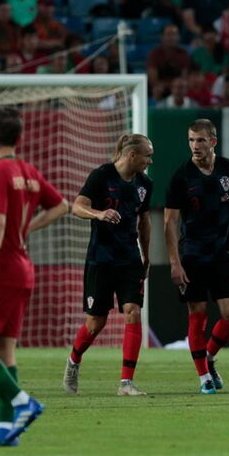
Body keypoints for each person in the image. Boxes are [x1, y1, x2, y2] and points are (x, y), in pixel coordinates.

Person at [0, 106, 68, 447]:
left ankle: (22, 402)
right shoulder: (29, 171)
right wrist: (29, 227)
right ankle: (7, 430)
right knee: (4, 348)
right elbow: (61, 205)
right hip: (23, 268)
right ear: (20, 137)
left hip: (2, 269)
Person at [164, 119, 229, 394]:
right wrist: (174, 261)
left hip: (224, 253)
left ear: (213, 142)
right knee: (198, 313)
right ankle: (204, 377)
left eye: (200, 140)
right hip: (192, 254)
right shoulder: (181, 176)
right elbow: (169, 221)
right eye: (191, 140)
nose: (195, 146)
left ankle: (209, 356)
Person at [63, 134, 154, 397]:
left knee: (133, 312)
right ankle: (74, 361)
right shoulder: (101, 175)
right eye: (147, 155)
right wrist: (99, 214)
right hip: (100, 260)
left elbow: (144, 222)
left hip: (129, 259)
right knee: (95, 324)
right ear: (132, 155)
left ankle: (126, 382)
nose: (150, 160)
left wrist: (146, 255)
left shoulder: (145, 184)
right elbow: (78, 207)